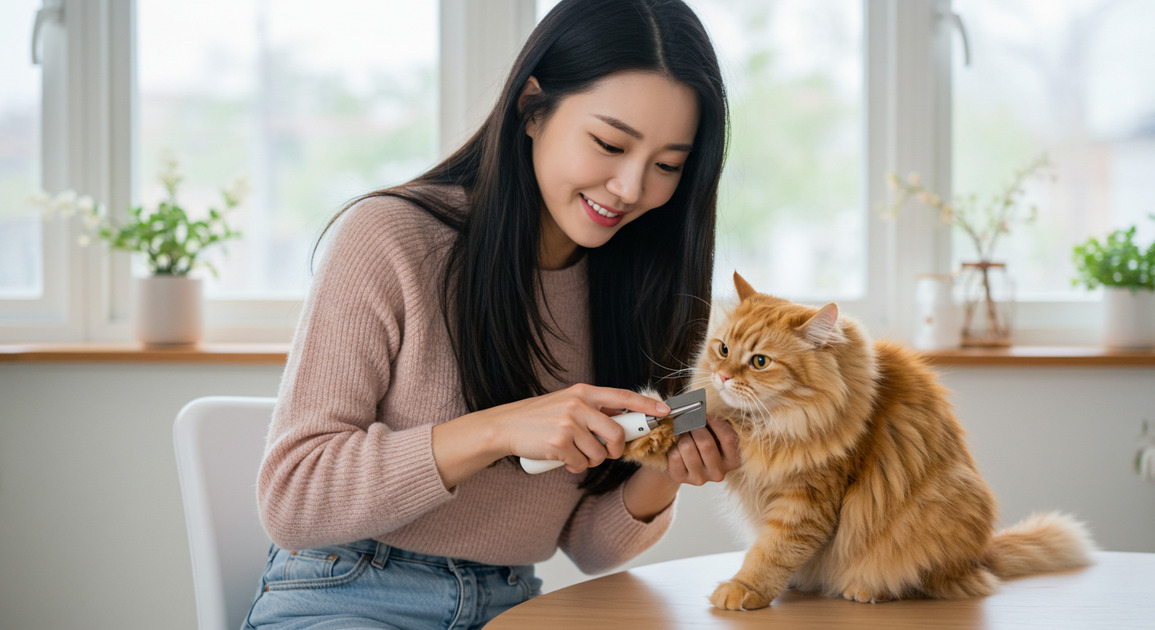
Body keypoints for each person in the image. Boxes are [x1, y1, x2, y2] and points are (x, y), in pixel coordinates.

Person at [243, 0, 737, 628]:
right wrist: (500, 430)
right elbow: (293, 498)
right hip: (347, 592)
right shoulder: (391, 238)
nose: (632, 188)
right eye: (610, 144)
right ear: (533, 108)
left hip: (510, 599)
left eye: (667, 165)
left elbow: (589, 547)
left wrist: (665, 471)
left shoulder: (635, 285)